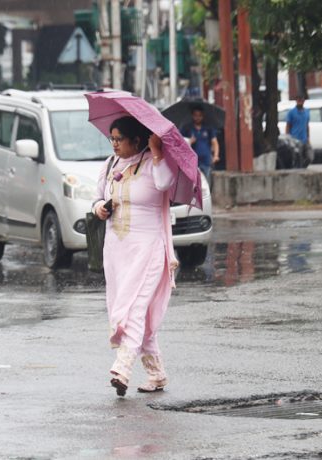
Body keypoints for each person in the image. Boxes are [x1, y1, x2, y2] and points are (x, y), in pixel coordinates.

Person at [93, 116, 178, 397]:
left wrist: (157, 153)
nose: (114, 144)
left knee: (136, 308)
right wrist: (99, 208)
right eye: (112, 139)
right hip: (117, 251)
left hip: (148, 250)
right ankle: (157, 374)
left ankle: (123, 367)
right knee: (130, 309)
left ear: (137, 140)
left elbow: (166, 184)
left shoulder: (155, 164)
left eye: (119, 139)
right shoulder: (110, 165)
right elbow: (97, 197)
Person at [180, 105, 219, 183]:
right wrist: (189, 141)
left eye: (199, 115)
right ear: (192, 115)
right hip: (192, 161)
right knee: (193, 184)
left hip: (206, 161)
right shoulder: (187, 128)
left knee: (207, 184)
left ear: (203, 116)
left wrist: (215, 156)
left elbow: (215, 142)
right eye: (195, 115)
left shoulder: (208, 128)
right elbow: (180, 142)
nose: (197, 117)